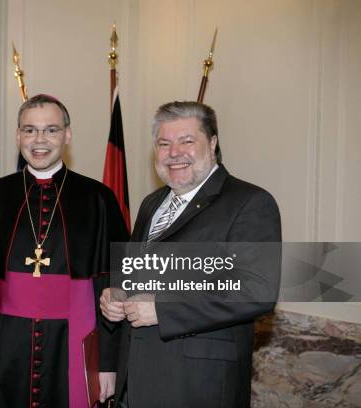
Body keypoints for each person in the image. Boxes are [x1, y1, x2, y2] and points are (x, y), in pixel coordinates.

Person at [100, 101, 281, 407]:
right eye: (164, 143)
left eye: (186, 141)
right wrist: (117, 293)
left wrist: (163, 309)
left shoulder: (250, 203)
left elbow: (256, 290)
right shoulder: (151, 203)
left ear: (212, 143)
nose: (174, 152)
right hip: (136, 378)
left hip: (197, 383)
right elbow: (134, 274)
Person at [0, 94, 129, 407]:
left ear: (68, 135)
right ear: (18, 136)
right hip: (4, 344)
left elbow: (112, 286)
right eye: (29, 130)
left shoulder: (98, 199)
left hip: (74, 343)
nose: (39, 140)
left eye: (51, 130)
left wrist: (107, 364)